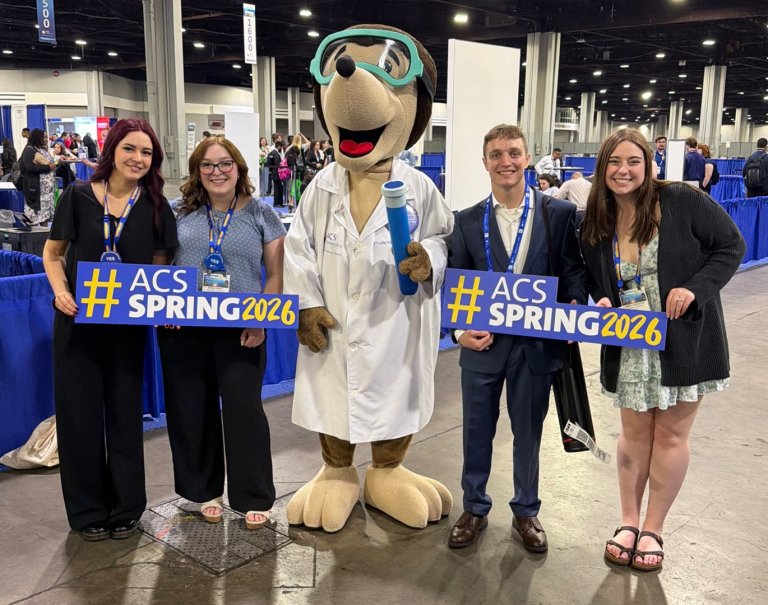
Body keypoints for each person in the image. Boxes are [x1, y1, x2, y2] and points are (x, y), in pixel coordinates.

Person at [579, 128, 746, 572]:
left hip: (684, 341)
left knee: (671, 436)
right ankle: (628, 522)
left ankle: (653, 528)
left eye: (633, 161)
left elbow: (731, 246)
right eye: (614, 162)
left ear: (648, 165)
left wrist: (695, 289)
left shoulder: (681, 200)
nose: (623, 170)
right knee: (634, 436)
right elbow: (592, 275)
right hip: (631, 344)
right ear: (602, 169)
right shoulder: (595, 219)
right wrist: (598, 297)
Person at [448, 124, 587, 552]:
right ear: (485, 161)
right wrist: (457, 331)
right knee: (475, 431)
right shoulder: (467, 220)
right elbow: (454, 285)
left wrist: (574, 311)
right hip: (483, 347)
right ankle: (474, 507)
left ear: (528, 158)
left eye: (513, 153)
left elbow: (573, 273)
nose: (505, 162)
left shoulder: (558, 214)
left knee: (528, 432)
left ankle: (526, 511)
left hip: (535, 348)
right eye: (496, 154)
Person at [41, 118, 178, 541]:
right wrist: (60, 292)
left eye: (147, 153)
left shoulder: (156, 205)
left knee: (123, 417)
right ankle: (86, 511)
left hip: (126, 331)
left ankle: (126, 507)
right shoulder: (78, 196)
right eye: (130, 149)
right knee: (79, 419)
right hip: (78, 327)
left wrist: (156, 303)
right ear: (112, 150)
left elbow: (161, 264)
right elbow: (52, 253)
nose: (138, 159)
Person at [158, 136, 286, 531]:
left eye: (225, 163)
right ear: (197, 171)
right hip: (185, 329)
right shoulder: (178, 213)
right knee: (191, 410)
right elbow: (160, 264)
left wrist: (260, 320)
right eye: (208, 165)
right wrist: (166, 307)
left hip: (242, 330)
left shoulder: (262, 214)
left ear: (239, 169)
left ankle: (254, 496)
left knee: (244, 411)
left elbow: (276, 273)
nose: (218, 172)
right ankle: (201, 491)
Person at [19, 128, 56, 225]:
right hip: (36, 189)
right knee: (34, 218)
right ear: (37, 137)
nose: (45, 139)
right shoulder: (29, 149)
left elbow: (50, 163)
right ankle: (34, 238)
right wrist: (47, 168)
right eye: (43, 137)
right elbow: (29, 167)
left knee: (45, 217)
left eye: (46, 137)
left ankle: (43, 236)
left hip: (46, 192)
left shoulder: (41, 149)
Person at [266, 140, 286, 207]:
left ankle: (277, 203)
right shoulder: (276, 154)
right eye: (281, 147)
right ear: (279, 146)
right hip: (277, 174)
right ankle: (278, 203)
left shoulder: (271, 153)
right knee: (279, 189)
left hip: (273, 173)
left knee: (277, 188)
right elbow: (278, 165)